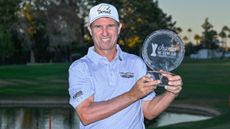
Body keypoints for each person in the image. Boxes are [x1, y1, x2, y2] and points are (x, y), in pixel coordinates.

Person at [68, 3, 183, 129]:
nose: (105, 32)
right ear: (90, 30)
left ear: (119, 28)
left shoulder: (136, 63)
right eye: (98, 26)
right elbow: (86, 115)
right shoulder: (80, 67)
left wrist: (171, 92)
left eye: (110, 26)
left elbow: (149, 111)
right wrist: (132, 95)